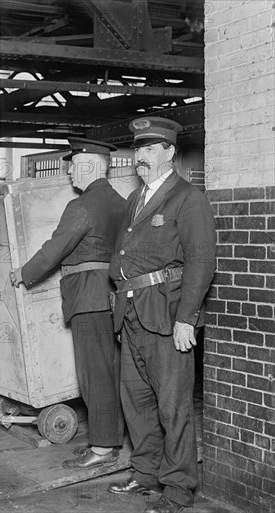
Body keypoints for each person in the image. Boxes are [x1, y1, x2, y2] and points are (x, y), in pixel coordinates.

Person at [106, 117, 216, 513]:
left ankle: (178, 488)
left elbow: (201, 262)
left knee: (173, 407)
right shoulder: (137, 199)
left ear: (170, 152)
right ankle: (146, 472)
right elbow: (124, 252)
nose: (141, 157)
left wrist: (187, 317)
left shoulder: (188, 198)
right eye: (138, 149)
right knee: (136, 402)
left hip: (166, 316)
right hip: (131, 313)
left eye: (150, 149)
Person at [10, 137, 126, 468]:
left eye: (73, 165)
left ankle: (102, 449)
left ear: (90, 166)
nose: (70, 171)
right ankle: (110, 440)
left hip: (88, 296)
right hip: (111, 296)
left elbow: (55, 248)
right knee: (110, 371)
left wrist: (23, 273)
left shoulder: (83, 206)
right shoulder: (120, 202)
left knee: (94, 376)